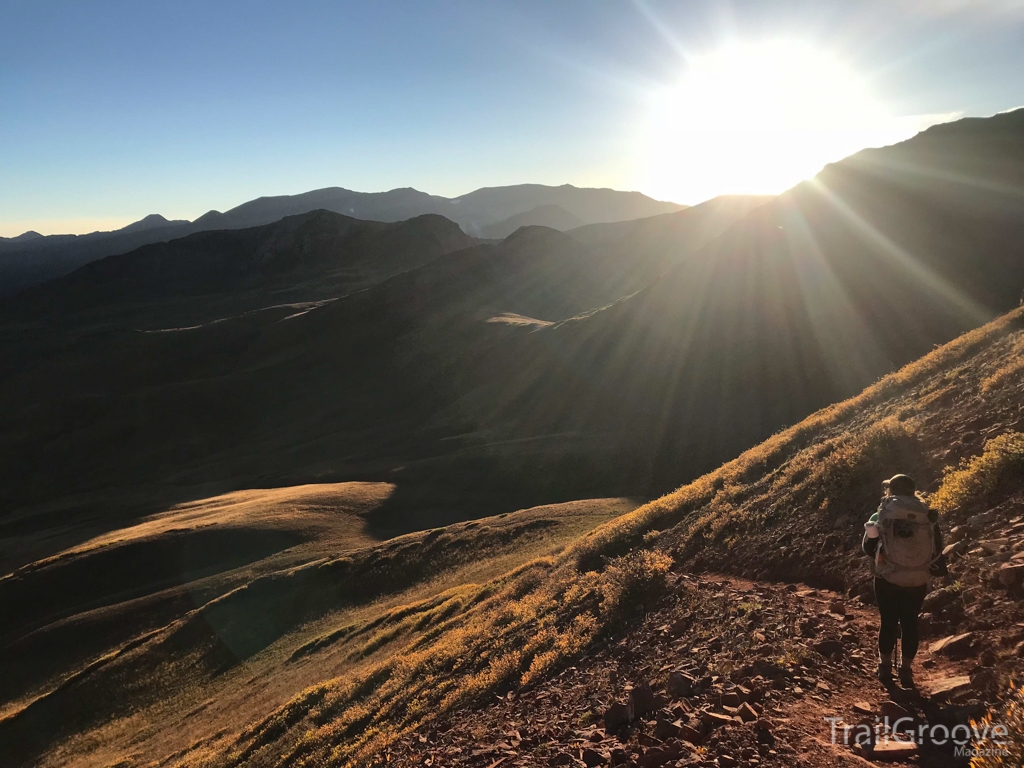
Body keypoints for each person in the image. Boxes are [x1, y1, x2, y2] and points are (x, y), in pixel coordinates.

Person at [862, 474, 947, 687]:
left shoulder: (880, 514)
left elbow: (868, 548)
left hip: (887, 577)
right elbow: (937, 548)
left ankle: (884, 667)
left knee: (888, 622)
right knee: (910, 623)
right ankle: (906, 670)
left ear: (890, 490)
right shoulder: (927, 516)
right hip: (917, 579)